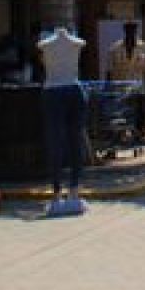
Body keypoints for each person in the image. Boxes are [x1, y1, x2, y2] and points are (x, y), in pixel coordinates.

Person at [36, 26, 88, 215]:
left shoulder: (46, 45)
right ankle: (72, 191)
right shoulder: (75, 43)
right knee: (74, 141)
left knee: (55, 141)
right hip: (73, 89)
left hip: (52, 91)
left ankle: (58, 194)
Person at [107, 21, 145, 135]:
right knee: (121, 113)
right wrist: (109, 88)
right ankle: (121, 134)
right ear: (125, 31)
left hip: (138, 86)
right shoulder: (115, 48)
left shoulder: (144, 47)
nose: (131, 33)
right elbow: (109, 69)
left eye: (133, 31)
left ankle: (139, 134)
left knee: (140, 113)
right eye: (128, 30)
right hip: (120, 86)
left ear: (136, 31)